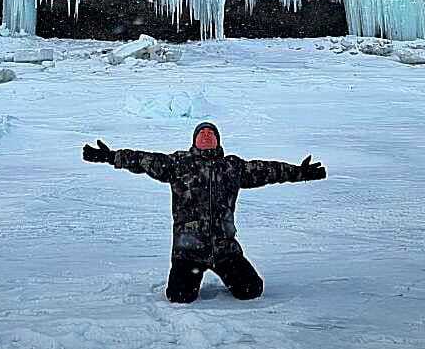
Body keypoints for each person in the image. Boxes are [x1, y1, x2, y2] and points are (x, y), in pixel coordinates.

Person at [82, 121, 326, 303]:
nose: (206, 136)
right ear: (194, 140)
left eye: (211, 133)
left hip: (224, 249)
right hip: (188, 250)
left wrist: (301, 172)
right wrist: (110, 156)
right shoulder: (178, 164)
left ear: (218, 141)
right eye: (202, 133)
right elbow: (143, 160)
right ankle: (188, 277)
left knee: (251, 291)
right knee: (179, 297)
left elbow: (268, 170)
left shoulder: (232, 167)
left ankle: (227, 271)